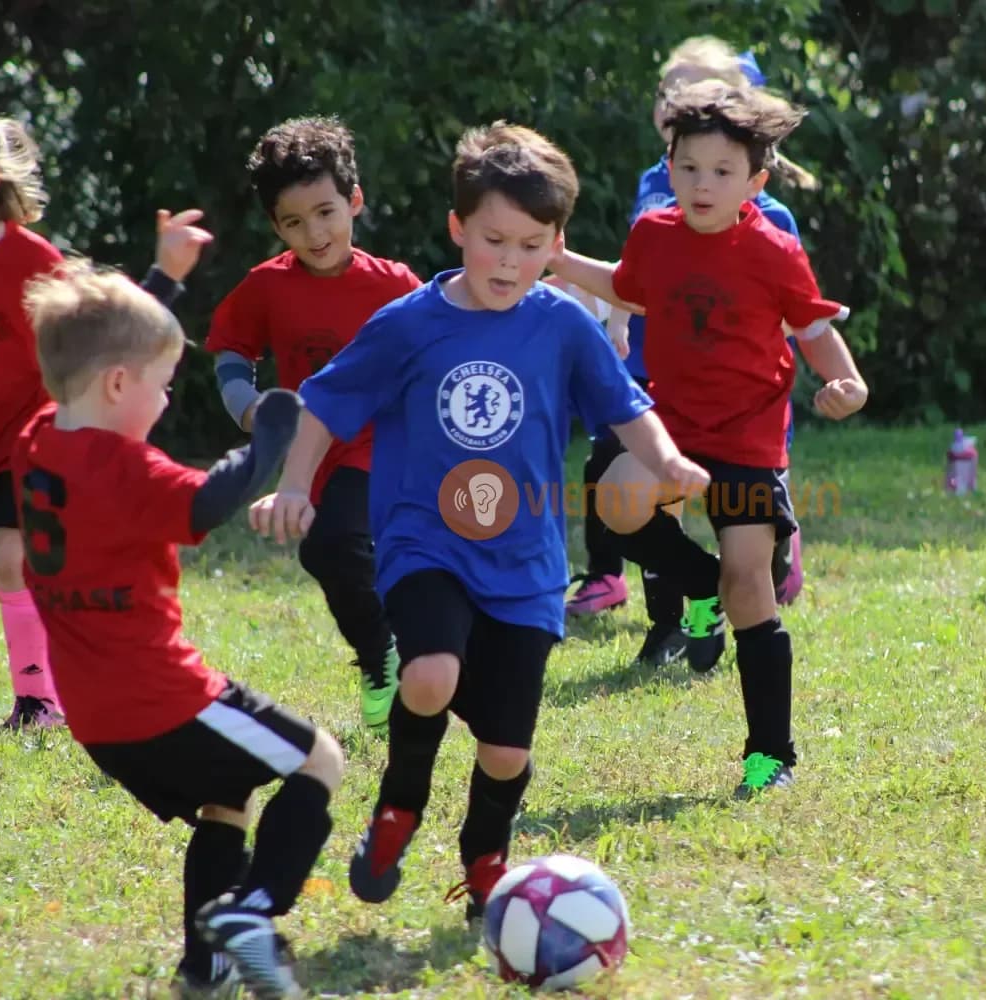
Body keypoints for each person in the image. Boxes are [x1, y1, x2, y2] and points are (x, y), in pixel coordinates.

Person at [249, 121, 707, 921]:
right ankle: (398, 808)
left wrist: (666, 463)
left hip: (526, 559)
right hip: (424, 539)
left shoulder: (562, 324)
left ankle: (485, 859)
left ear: (556, 244)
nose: (508, 262)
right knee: (429, 675)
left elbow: (625, 407)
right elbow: (322, 403)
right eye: (493, 240)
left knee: (506, 749)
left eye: (532, 246)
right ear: (458, 227)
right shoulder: (409, 321)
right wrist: (295, 486)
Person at [14, 261, 342, 1000]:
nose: (165, 403)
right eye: (162, 386)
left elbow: (83, 364)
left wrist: (154, 291)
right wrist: (268, 440)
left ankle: (206, 970)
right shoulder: (131, 470)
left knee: (229, 799)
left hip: (97, 722)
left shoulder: (35, 440)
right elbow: (210, 501)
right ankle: (254, 914)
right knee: (319, 761)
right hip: (166, 698)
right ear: (119, 385)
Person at [549, 80, 869, 797]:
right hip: (672, 429)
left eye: (722, 172)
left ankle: (769, 755)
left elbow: (813, 328)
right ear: (668, 167)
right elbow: (630, 289)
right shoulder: (654, 233)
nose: (702, 184)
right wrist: (563, 263)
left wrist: (849, 384)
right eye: (688, 167)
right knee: (612, 499)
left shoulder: (774, 250)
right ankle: (698, 584)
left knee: (752, 584)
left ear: (754, 182)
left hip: (749, 437)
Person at [0, 100, 209, 730]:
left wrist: (163, 274)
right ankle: (74, 659)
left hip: (40, 433)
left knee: (12, 562)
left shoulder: (33, 258)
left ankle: (38, 703)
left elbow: (97, 325)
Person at [566, 35, 820, 659]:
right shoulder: (654, 190)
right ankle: (678, 617)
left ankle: (761, 571)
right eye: (667, 90)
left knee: (743, 530)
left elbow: (794, 312)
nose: (674, 100)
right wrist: (611, 314)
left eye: (695, 89)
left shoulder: (771, 220)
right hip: (661, 377)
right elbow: (635, 275)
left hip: (745, 402)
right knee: (635, 493)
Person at [206, 116, 421, 735]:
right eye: (294, 222)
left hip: (380, 447)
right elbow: (230, 355)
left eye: (326, 212)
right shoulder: (266, 287)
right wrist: (250, 410)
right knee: (329, 555)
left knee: (331, 544)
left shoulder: (396, 286)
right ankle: (385, 654)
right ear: (276, 226)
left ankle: (386, 658)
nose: (315, 233)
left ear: (354, 201)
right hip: (311, 451)